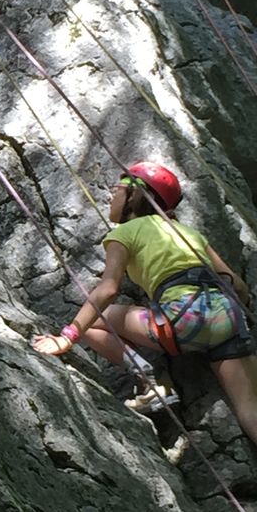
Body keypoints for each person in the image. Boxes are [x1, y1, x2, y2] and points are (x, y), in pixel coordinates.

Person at [32, 161, 257, 446]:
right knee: (251, 408)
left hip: (183, 318)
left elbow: (108, 290)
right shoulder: (187, 232)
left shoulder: (123, 234)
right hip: (228, 316)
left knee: (92, 321)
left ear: (134, 195)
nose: (111, 196)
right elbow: (238, 287)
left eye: (117, 189)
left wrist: (67, 337)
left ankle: (153, 383)